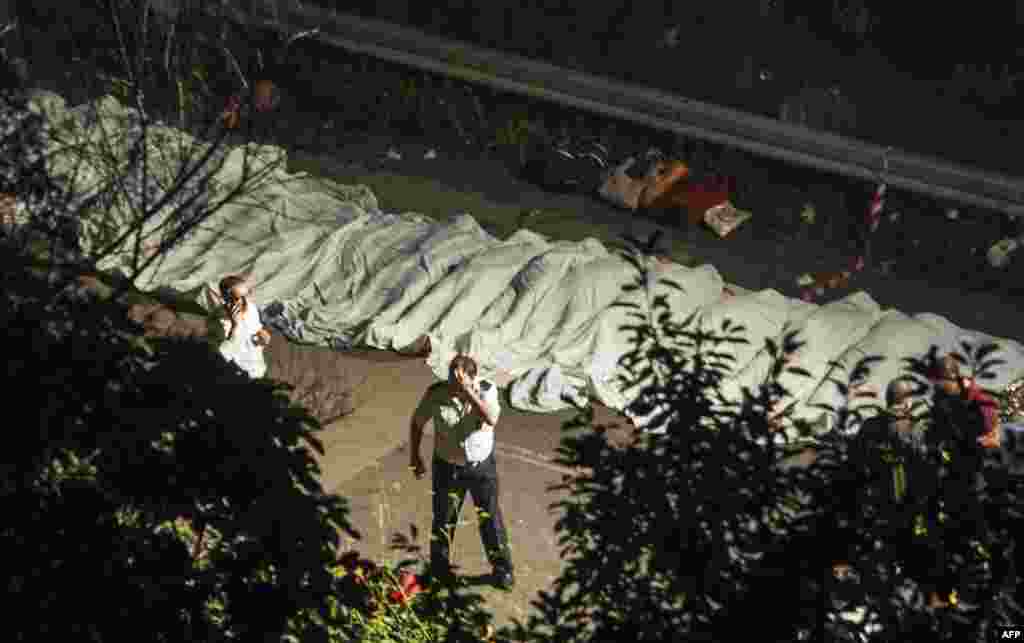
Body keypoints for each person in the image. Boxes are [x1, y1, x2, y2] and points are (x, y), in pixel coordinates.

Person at [409, 354, 515, 589]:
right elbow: (417, 423)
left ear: (473, 378)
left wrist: (468, 392)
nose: (452, 389)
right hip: (447, 468)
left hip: (481, 469)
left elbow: (490, 417)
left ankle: (503, 570)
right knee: (444, 520)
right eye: (450, 382)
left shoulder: (487, 391)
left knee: (490, 519)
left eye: (457, 383)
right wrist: (414, 456)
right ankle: (439, 571)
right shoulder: (436, 393)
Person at [216, 275, 271, 379]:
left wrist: (262, 335)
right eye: (238, 297)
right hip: (236, 378)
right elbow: (222, 356)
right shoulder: (217, 321)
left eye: (246, 295)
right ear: (226, 299)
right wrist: (234, 326)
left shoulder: (251, 308)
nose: (245, 301)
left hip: (259, 372)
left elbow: (256, 330)